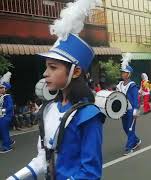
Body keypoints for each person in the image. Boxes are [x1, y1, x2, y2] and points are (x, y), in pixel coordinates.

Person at [7, 1, 105, 177]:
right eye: (46, 67)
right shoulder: (48, 109)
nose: (45, 73)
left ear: (75, 72)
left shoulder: (89, 115)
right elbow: (43, 159)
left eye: (53, 67)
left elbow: (90, 173)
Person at [116, 53, 141, 155]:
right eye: (122, 72)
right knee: (126, 128)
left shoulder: (132, 85)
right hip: (123, 110)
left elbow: (136, 99)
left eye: (124, 72)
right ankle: (136, 140)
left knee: (130, 129)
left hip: (131, 110)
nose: (122, 74)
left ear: (129, 74)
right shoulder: (120, 85)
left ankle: (129, 147)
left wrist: (136, 111)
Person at [0, 72, 15, 153]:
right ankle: (9, 141)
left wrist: (2, 111)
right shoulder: (1, 97)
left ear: (5, 89)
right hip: (1, 116)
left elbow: (10, 107)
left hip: (6, 116)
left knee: (3, 130)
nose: (0, 89)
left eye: (1, 88)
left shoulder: (7, 96)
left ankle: (7, 147)